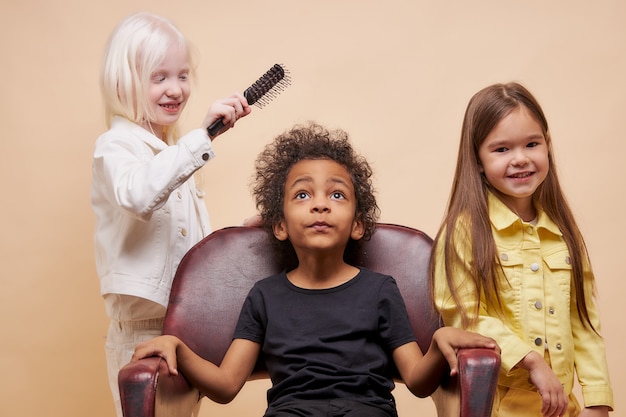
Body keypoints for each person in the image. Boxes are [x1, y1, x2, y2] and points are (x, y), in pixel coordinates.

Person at [132, 122, 499, 417]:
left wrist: (438, 343)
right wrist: (177, 348)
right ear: (279, 225)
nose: (320, 205)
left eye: (337, 194)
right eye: (303, 195)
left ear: (358, 224)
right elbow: (226, 385)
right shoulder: (265, 295)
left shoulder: (380, 290)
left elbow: (418, 382)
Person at [91, 12, 251, 416]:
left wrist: (242, 239)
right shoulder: (115, 146)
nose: (175, 89)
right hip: (142, 334)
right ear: (123, 82)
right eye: (159, 77)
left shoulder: (173, 156)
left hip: (185, 331)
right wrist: (203, 136)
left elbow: (192, 252)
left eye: (182, 76)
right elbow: (139, 194)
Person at [429, 82, 614, 417]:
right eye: (501, 149)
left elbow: (584, 323)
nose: (521, 159)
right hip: (499, 408)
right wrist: (532, 362)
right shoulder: (463, 232)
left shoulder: (563, 234)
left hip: (562, 409)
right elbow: (466, 318)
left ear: (548, 146)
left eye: (532, 144)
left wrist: (598, 402)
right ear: (478, 160)